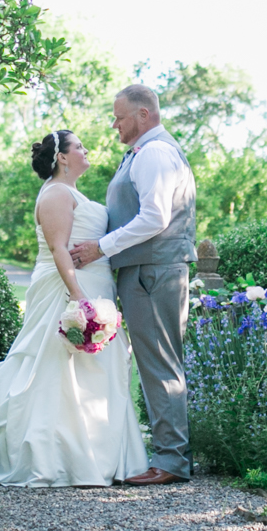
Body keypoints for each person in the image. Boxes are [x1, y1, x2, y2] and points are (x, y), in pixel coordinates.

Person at [0, 129, 148, 486]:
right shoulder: (56, 194)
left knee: (93, 370)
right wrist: (78, 295)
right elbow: (59, 248)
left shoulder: (74, 192)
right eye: (79, 146)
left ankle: (97, 454)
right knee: (57, 368)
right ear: (62, 157)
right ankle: (57, 458)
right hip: (67, 289)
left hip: (95, 287)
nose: (85, 148)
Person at [71, 83, 197, 486]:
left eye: (119, 117)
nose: (114, 125)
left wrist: (100, 249)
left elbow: (154, 218)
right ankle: (169, 453)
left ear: (144, 115)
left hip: (153, 271)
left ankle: (172, 460)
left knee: (160, 362)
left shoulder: (156, 153)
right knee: (154, 362)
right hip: (146, 270)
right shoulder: (143, 153)